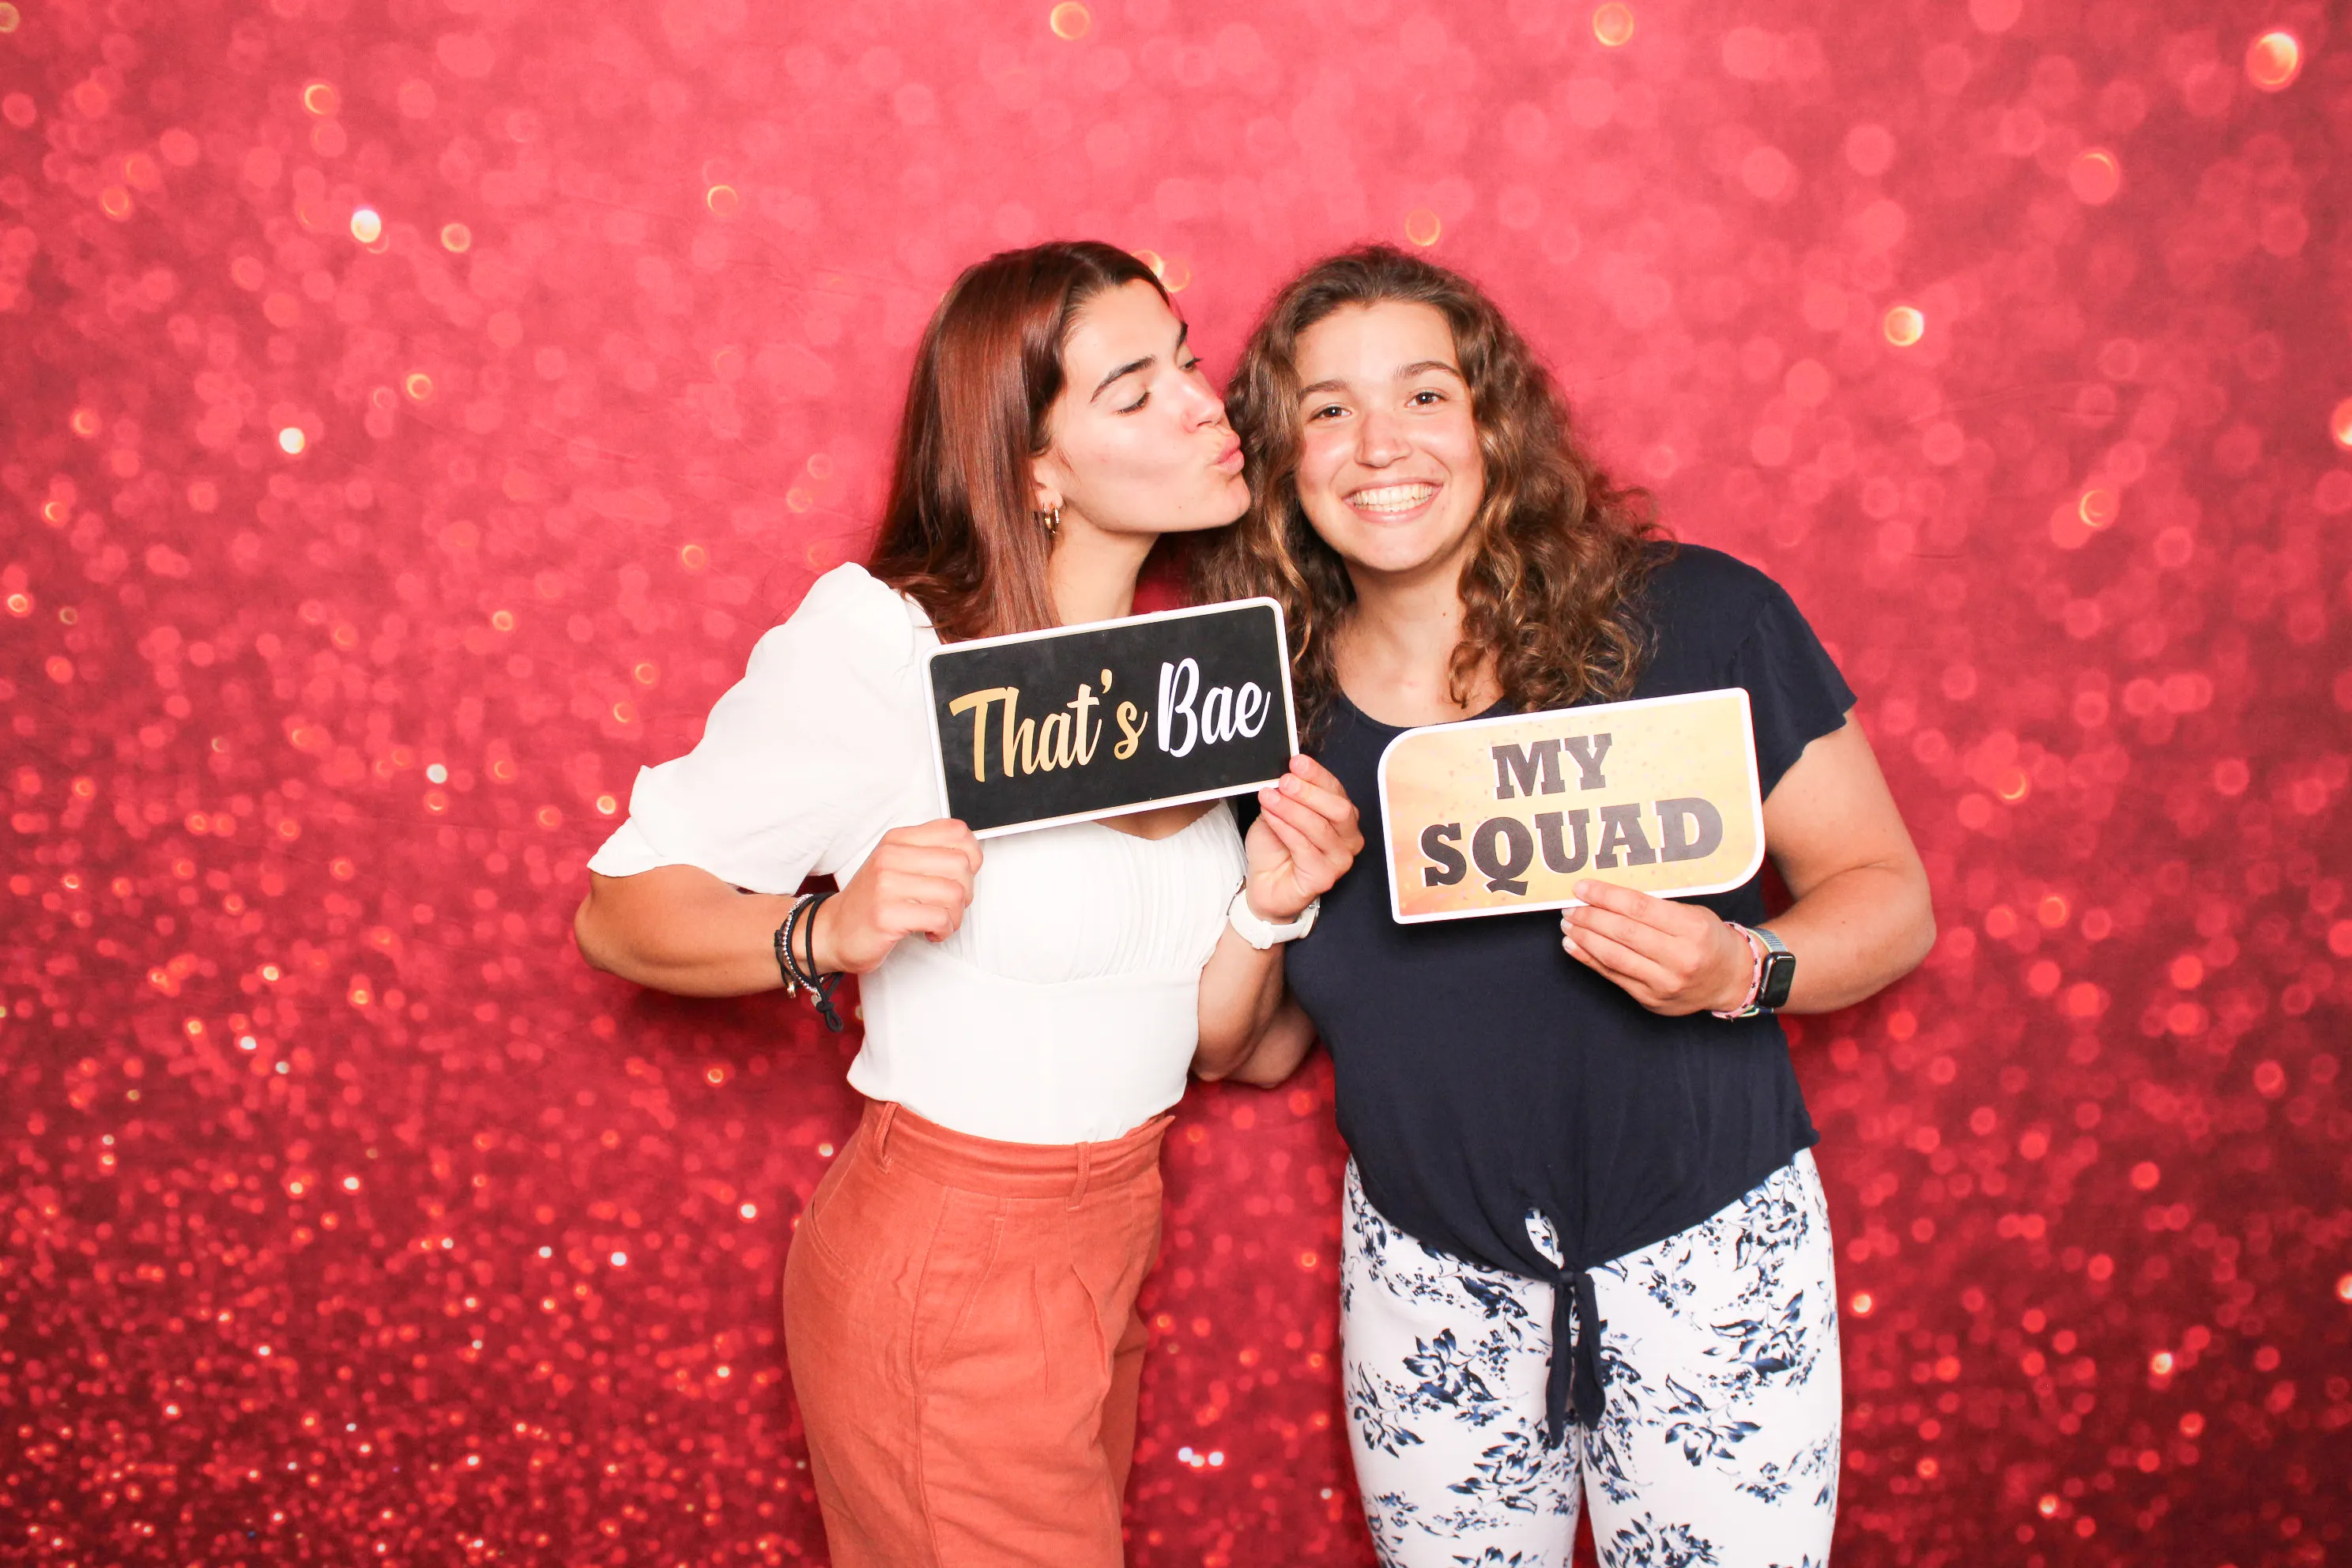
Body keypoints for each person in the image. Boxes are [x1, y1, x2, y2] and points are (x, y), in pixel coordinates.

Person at [571, 241, 1362, 1568]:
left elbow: (1223, 1047)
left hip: (1111, 1245)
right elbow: (615, 910)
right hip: (948, 1260)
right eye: (1132, 390)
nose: (1200, 403)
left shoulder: (1200, 680)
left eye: (1186, 358)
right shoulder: (891, 645)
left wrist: (1269, 910)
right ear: (1035, 465)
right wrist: (827, 929)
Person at [1193, 246, 1934, 1568]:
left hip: (1712, 1253)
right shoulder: (1270, 711)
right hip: (1429, 1286)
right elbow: (1256, 1055)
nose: (1380, 445)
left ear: (1492, 422)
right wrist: (1265, 908)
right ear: (1284, 458)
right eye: (1327, 409)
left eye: (1424, 396)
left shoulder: (1697, 619)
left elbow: (1890, 903)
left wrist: (1738, 970)